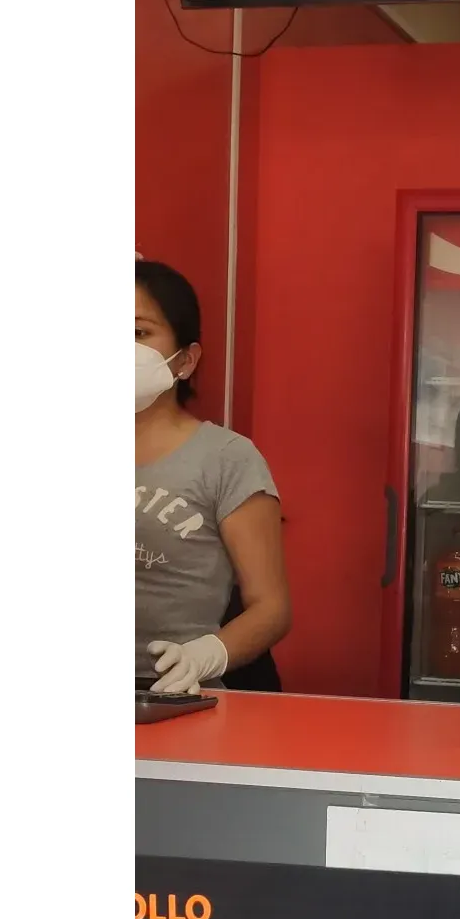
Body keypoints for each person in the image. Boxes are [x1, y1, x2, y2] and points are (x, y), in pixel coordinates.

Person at [135, 260, 291, 693]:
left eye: (138, 332)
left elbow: (271, 608)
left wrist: (204, 657)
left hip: (176, 696)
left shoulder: (226, 458)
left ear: (185, 360)